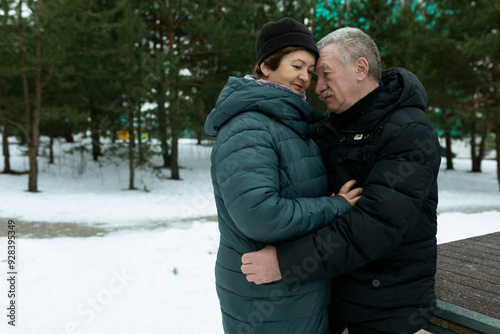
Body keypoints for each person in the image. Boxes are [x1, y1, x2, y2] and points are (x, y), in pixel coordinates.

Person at [241, 27, 441, 334]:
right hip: (329, 298)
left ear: (360, 68)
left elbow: (377, 224)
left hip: (386, 308)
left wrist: (287, 262)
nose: (317, 86)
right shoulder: (327, 129)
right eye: (313, 75)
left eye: (325, 74)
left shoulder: (409, 130)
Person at [204, 18, 363, 334]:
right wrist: (335, 206)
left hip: (293, 292)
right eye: (297, 66)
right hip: (263, 297)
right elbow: (260, 215)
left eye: (310, 70)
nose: (305, 77)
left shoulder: (290, 124)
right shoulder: (248, 127)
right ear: (266, 66)